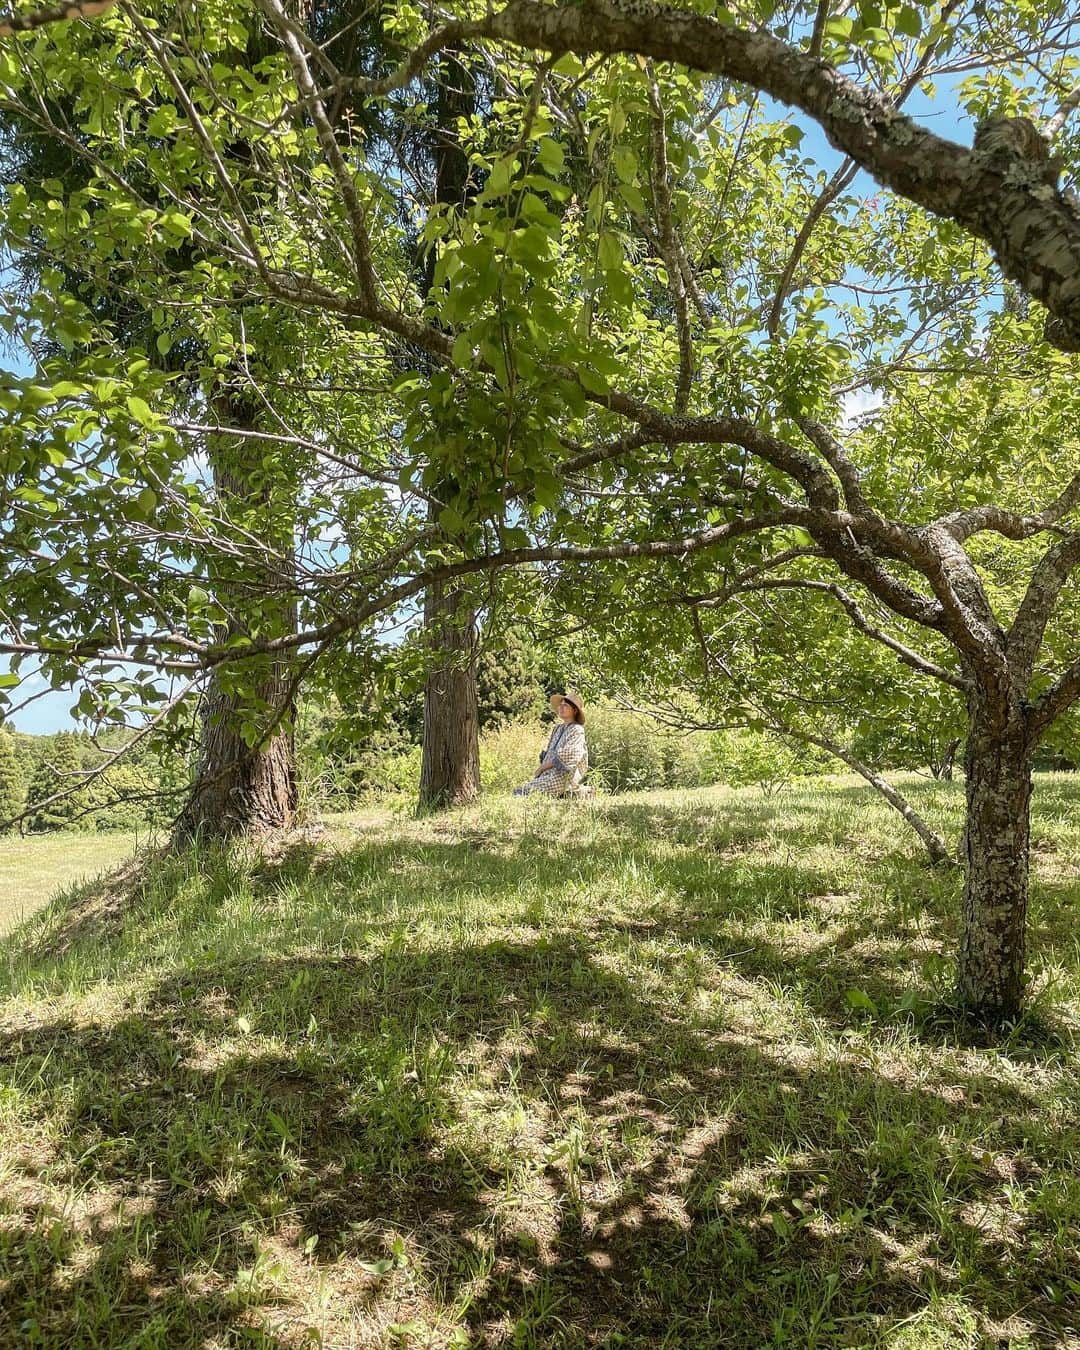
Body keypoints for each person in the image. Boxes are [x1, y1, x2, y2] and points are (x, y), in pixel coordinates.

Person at [514, 692, 589, 796]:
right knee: (522, 789)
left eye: (565, 706)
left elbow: (569, 755)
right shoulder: (558, 729)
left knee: (524, 791)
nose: (561, 708)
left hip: (563, 777)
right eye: (560, 705)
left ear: (575, 710)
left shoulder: (577, 730)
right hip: (548, 774)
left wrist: (542, 768)